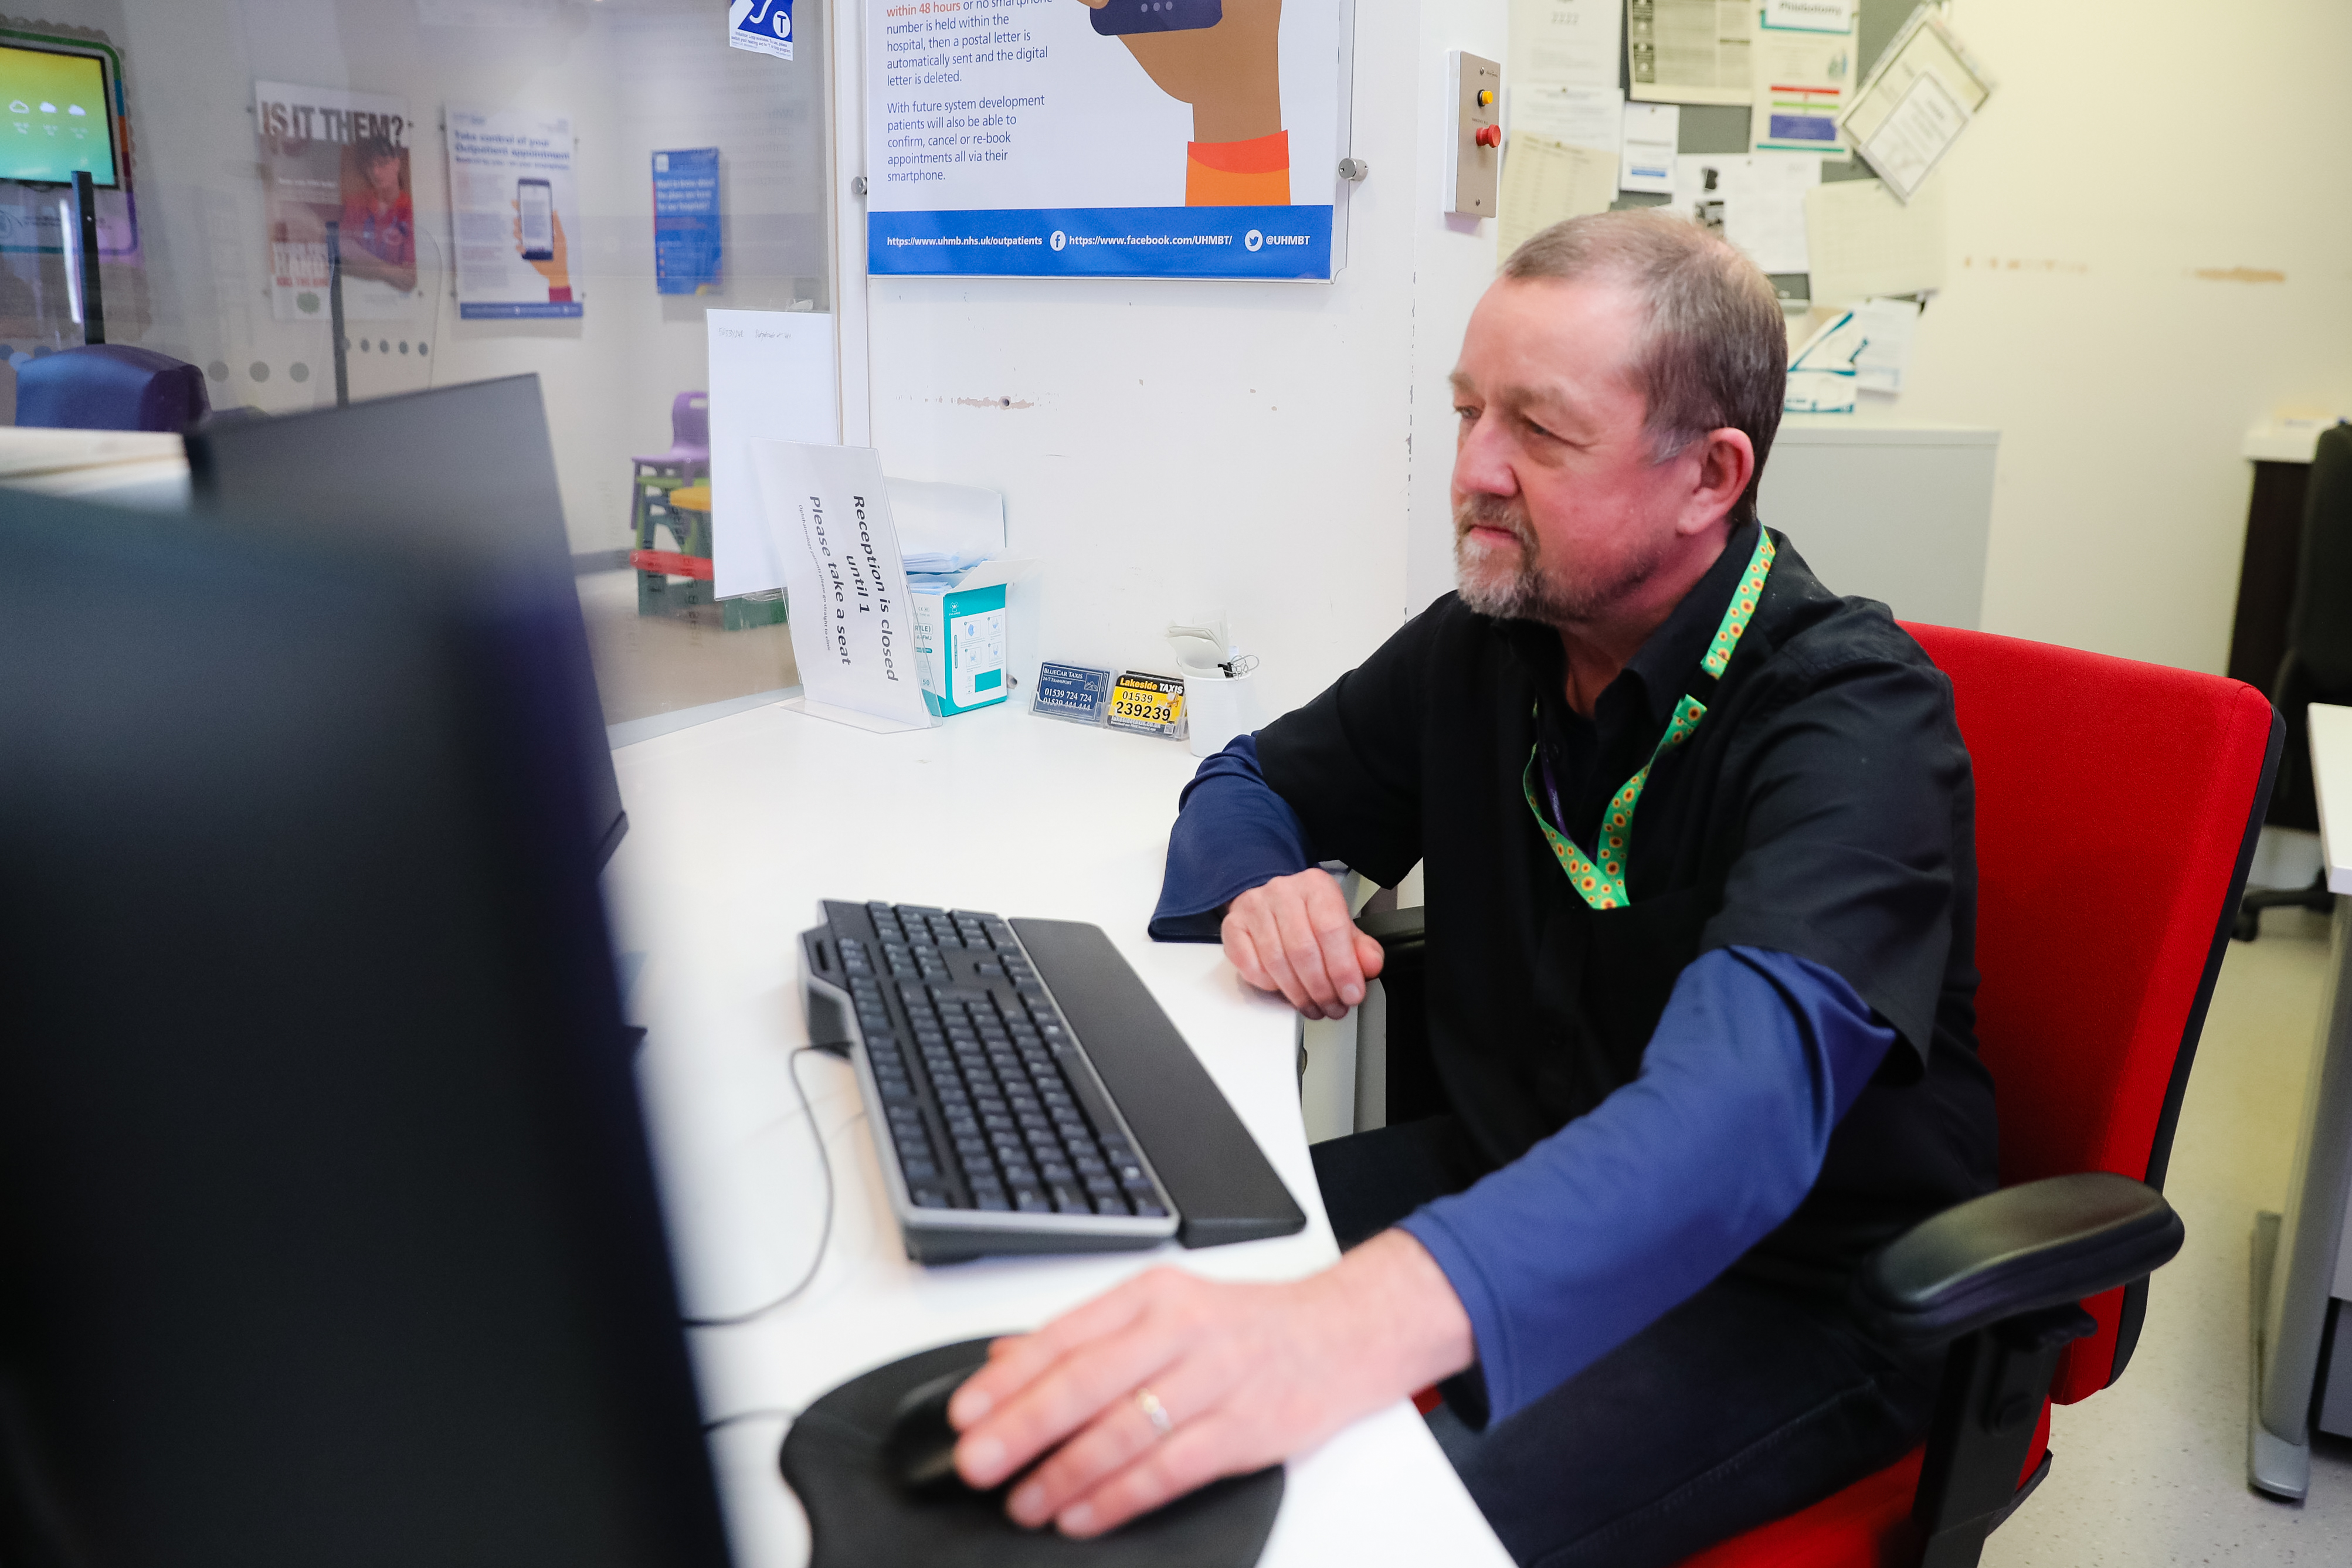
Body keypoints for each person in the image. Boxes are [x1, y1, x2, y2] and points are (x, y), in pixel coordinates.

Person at [940, 209, 1999, 1566]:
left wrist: (1337, 1330)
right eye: (1464, 413)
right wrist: (1269, 882)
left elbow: (1736, 1117)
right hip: (1520, 1163)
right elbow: (1248, 781)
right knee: (1143, 1265)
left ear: (1709, 477)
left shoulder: (1854, 716)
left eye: (1540, 432)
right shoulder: (1498, 641)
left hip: (1797, 1283)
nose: (1473, 472)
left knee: (1352, 1528)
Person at [338, 137, 416, 294]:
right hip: (358, 295)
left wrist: (364, 265)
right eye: (370, 165)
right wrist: (386, 270)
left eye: (383, 163)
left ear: (396, 164)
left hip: (401, 302)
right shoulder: (354, 204)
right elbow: (343, 257)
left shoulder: (412, 209)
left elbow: (410, 278)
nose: (375, 172)